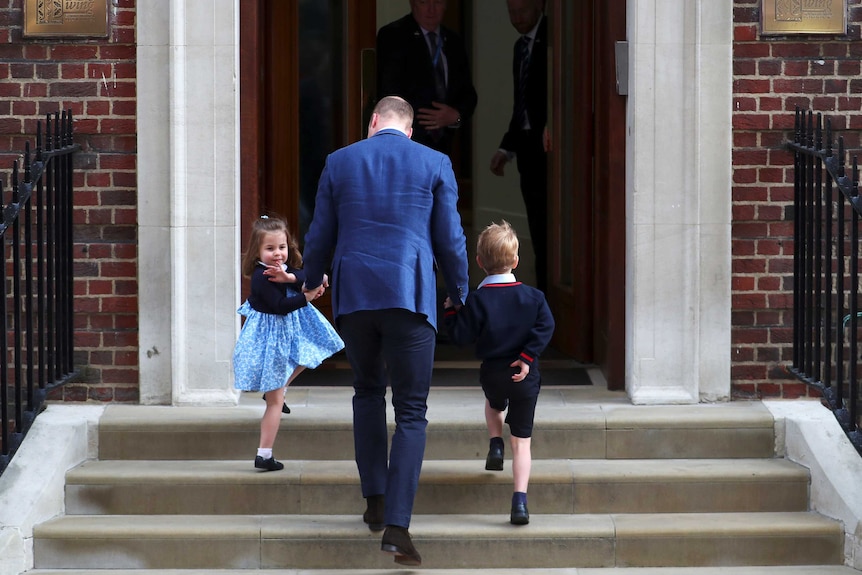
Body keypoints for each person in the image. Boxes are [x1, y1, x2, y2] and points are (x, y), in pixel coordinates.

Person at [302, 95, 469, 566]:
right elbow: (450, 236)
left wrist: (311, 282)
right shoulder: (435, 162)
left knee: (367, 391)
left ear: (373, 122)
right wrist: (460, 289)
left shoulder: (339, 161)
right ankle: (397, 526)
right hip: (411, 294)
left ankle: (374, 500)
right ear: (410, 130)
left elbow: (319, 235)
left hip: (355, 296)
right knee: (412, 410)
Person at [443, 220, 555, 525]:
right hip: (525, 377)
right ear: (516, 261)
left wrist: (452, 310)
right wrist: (527, 357)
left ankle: (494, 442)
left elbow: (460, 336)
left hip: (493, 374)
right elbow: (546, 327)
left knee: (494, 405)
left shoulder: (477, 301)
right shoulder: (534, 298)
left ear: (479, 262)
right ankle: (519, 501)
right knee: (522, 442)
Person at [232, 215, 344, 471]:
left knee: (311, 353)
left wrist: (293, 279)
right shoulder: (261, 277)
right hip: (271, 341)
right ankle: (264, 454)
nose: (277, 254)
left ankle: (280, 388)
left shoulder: (282, 269)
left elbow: (304, 273)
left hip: (286, 336)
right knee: (274, 402)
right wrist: (307, 296)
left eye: (281, 247)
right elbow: (281, 307)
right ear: (257, 251)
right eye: (270, 249)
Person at [489, 0, 548, 293]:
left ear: (540, 5)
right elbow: (521, 105)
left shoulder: (554, 39)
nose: (516, 17)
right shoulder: (519, 47)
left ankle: (550, 296)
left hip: (552, 148)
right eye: (511, 11)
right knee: (538, 225)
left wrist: (556, 125)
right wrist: (505, 148)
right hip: (527, 150)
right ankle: (545, 292)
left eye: (522, 10)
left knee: (552, 230)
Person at [376, 0, 477, 156]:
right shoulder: (394, 35)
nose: (431, 9)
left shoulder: (454, 41)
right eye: (424, 2)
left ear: (445, 5)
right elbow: (389, 91)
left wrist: (456, 116)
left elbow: (468, 94)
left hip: (446, 146)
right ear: (412, 3)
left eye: (437, 2)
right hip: (407, 142)